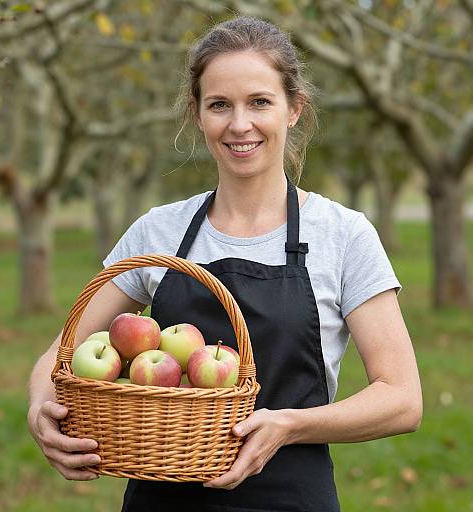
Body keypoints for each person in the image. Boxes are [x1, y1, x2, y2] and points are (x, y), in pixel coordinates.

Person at [27, 16, 423, 512]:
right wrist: (40, 412)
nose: (240, 124)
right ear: (197, 114)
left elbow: (402, 398)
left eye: (260, 102)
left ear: (294, 109)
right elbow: (60, 353)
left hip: (291, 497)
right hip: (162, 500)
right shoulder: (160, 231)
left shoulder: (343, 235)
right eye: (219, 105)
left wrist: (288, 425)